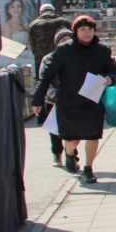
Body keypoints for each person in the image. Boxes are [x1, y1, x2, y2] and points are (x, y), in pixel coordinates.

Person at [31, 16, 116, 185]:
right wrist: (38, 99)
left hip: (93, 100)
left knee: (93, 136)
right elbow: (46, 75)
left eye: (90, 29)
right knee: (73, 140)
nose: (87, 33)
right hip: (69, 102)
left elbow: (112, 70)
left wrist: (109, 78)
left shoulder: (102, 50)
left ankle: (88, 169)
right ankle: (69, 153)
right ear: (75, 32)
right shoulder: (64, 51)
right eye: (82, 30)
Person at [38, 27, 73, 167]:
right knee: (54, 130)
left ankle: (72, 156)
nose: (66, 43)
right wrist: (57, 95)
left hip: (71, 100)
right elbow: (44, 80)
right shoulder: (48, 59)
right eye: (63, 40)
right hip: (52, 100)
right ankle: (57, 154)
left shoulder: (76, 58)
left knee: (72, 130)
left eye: (69, 40)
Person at [28, 3, 71, 76]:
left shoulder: (34, 24)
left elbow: (32, 44)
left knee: (43, 82)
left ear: (40, 13)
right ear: (53, 11)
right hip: (62, 58)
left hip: (41, 59)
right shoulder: (64, 21)